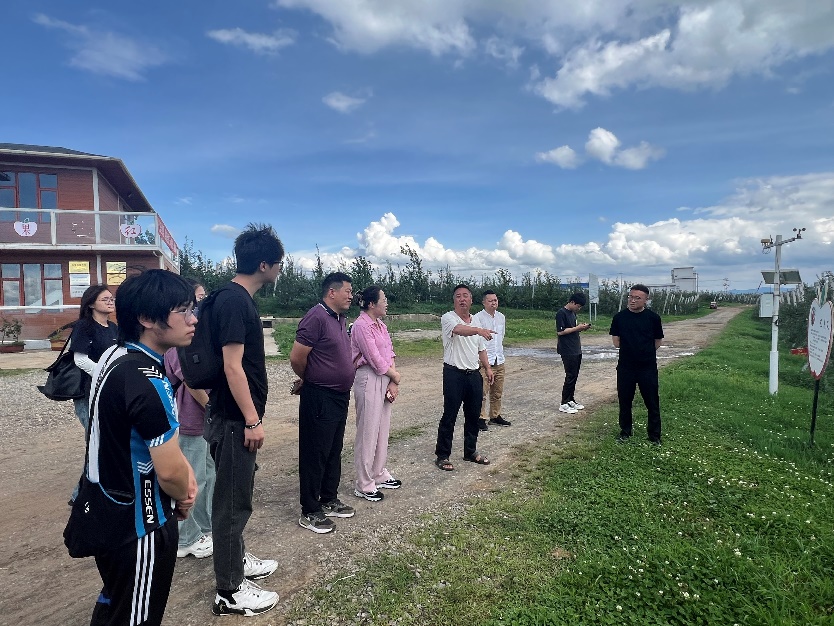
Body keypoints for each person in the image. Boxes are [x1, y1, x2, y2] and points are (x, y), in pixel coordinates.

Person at [84, 269, 198, 625]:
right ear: (147, 318)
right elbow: (169, 471)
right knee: (136, 616)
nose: (193, 319)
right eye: (183, 310)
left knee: (116, 603)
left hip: (106, 509)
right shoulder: (147, 379)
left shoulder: (115, 356)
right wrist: (183, 495)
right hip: (140, 525)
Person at [207, 224, 284, 616]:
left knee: (236, 498)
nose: (280, 270)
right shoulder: (236, 302)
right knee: (232, 504)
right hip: (235, 420)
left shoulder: (230, 297)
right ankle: (230, 590)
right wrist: (252, 420)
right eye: (278, 263)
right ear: (264, 264)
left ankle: (236, 561)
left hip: (230, 417)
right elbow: (232, 366)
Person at [290, 272, 357, 533]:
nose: (351, 296)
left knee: (333, 449)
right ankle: (310, 510)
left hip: (339, 395)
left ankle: (329, 498)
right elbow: (297, 357)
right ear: (332, 292)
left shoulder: (339, 318)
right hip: (320, 395)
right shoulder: (316, 317)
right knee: (315, 452)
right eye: (347, 291)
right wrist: (310, 378)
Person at [164, 279, 215, 560]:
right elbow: (191, 382)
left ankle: (204, 527)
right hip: (190, 420)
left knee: (207, 476)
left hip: (204, 421)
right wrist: (212, 408)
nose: (199, 306)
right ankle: (185, 538)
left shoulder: (197, 337)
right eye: (195, 301)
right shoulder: (177, 344)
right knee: (191, 480)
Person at [434, 284, 494, 471]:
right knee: (450, 415)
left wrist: (488, 368)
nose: (462, 299)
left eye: (465, 296)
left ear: (471, 300)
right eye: (458, 296)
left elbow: (481, 348)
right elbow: (459, 330)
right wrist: (478, 330)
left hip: (474, 374)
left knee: (473, 415)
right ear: (454, 300)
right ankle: (443, 455)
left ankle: (470, 451)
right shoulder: (448, 318)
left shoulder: (476, 320)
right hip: (454, 374)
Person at [350, 286, 402, 502]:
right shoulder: (361, 325)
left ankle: (378, 472)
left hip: (385, 377)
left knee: (382, 428)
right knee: (368, 431)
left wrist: (392, 381)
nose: (386, 303)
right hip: (368, 377)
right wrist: (395, 376)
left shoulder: (381, 325)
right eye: (384, 299)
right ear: (372, 304)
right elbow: (374, 358)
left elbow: (389, 352)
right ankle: (363, 483)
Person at [69, 284, 118, 503]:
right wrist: (104, 373)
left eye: (111, 298)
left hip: (107, 392)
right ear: (91, 304)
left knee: (105, 441)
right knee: (96, 442)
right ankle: (81, 496)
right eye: (105, 299)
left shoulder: (113, 328)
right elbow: (80, 360)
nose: (110, 302)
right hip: (87, 393)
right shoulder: (84, 327)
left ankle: (91, 491)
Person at [609, 284, 665, 445]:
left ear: (646, 300)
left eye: (637, 298)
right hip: (626, 367)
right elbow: (616, 342)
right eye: (630, 297)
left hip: (647, 368)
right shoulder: (619, 317)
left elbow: (657, 341)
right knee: (625, 401)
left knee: (652, 402)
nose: (632, 300)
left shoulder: (653, 318)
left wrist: (644, 352)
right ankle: (625, 432)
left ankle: (654, 436)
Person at [472, 290, 511, 430]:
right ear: (484, 302)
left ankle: (495, 416)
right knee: (482, 392)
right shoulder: (478, 318)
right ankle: (480, 417)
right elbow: (476, 340)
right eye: (490, 301)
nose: (494, 303)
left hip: (498, 359)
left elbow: (501, 336)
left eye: (495, 300)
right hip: (485, 361)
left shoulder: (501, 317)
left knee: (497, 392)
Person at [556, 292, 591, 414]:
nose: (578, 309)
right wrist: (577, 328)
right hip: (567, 349)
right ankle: (563, 402)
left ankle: (571, 399)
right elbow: (560, 332)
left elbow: (572, 329)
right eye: (578, 306)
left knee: (575, 375)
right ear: (572, 302)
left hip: (576, 348)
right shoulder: (561, 313)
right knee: (570, 375)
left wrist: (582, 328)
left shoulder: (573, 313)